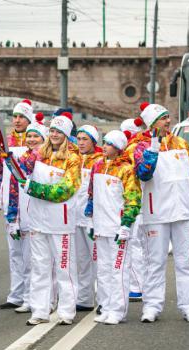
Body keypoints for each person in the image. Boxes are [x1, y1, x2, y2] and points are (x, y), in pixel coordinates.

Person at [134, 103, 189, 323]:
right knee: (154, 262)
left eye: (168, 117)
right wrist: (153, 149)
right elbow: (143, 174)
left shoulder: (182, 143)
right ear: (151, 122)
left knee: (186, 261)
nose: (168, 121)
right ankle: (152, 306)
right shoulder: (139, 146)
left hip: (183, 211)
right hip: (156, 213)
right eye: (163, 118)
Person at [18, 112, 81, 326]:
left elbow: (65, 190)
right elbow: (18, 168)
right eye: (52, 130)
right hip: (37, 220)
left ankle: (66, 311)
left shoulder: (73, 158)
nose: (54, 134)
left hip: (60, 222)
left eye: (58, 131)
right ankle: (39, 311)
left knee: (65, 269)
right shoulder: (38, 155)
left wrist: (34, 188)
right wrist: (4, 157)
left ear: (66, 134)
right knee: (40, 267)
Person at [85, 130, 141, 325]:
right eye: (105, 143)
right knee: (103, 270)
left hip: (118, 230)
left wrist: (126, 224)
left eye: (109, 144)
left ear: (117, 148)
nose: (105, 146)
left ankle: (118, 311)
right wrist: (90, 220)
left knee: (119, 270)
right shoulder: (98, 166)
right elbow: (91, 195)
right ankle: (106, 307)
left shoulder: (126, 169)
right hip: (101, 228)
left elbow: (133, 199)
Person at [0, 99, 34, 310]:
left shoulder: (35, 140)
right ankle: (16, 295)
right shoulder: (5, 142)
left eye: (21, 117)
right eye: (15, 116)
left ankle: (31, 296)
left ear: (29, 119)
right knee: (14, 253)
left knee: (29, 254)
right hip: (10, 205)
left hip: (29, 204)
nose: (17, 120)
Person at [5, 114, 49, 314]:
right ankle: (28, 297)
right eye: (29, 136)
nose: (31, 140)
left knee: (38, 260)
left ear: (44, 139)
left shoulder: (46, 158)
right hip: (24, 212)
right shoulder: (24, 158)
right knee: (24, 258)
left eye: (36, 137)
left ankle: (43, 298)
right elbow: (15, 183)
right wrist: (12, 215)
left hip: (42, 213)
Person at [74, 125, 103, 312]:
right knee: (82, 261)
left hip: (94, 218)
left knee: (98, 261)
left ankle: (103, 300)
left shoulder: (100, 161)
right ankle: (84, 299)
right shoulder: (73, 159)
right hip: (75, 218)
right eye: (79, 139)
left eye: (85, 139)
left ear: (93, 141)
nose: (81, 142)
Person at [120, 118, 147, 302]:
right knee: (142, 244)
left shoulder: (131, 149)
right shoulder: (144, 146)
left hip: (135, 199)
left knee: (134, 243)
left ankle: (137, 286)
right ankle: (141, 285)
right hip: (145, 201)